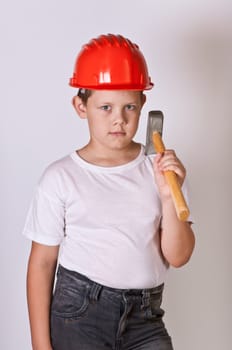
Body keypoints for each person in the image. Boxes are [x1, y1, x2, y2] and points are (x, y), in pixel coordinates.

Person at [23, 33, 195, 350]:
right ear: (80, 106)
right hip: (80, 316)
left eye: (129, 105)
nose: (119, 119)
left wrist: (170, 197)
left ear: (143, 103)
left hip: (145, 319)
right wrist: (40, 345)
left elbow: (179, 255)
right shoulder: (61, 177)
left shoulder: (157, 170)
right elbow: (42, 263)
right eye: (105, 107)